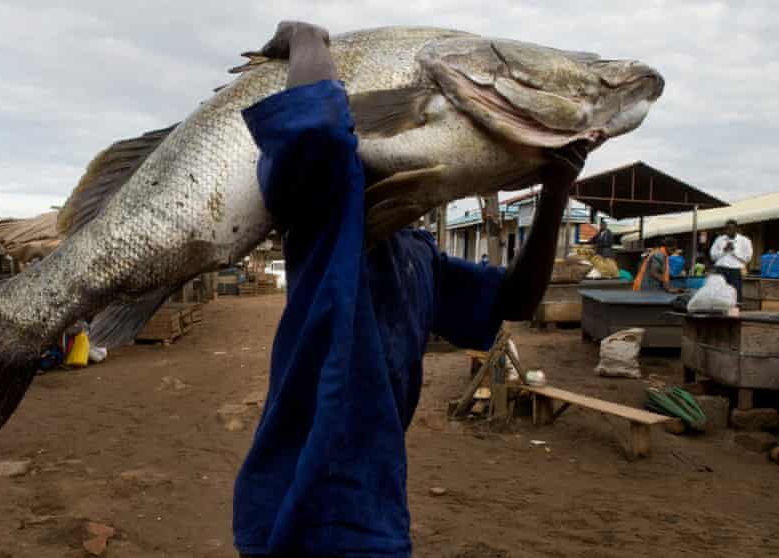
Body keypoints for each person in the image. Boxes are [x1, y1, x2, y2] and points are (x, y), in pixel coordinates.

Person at [233, 21, 589, 558]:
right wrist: (307, 39)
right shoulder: (326, 226)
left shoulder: (417, 254)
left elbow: (513, 302)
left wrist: (556, 192)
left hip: (373, 501)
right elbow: (317, 135)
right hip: (296, 494)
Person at [710, 219, 752, 301]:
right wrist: (723, 250)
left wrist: (734, 251)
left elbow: (748, 258)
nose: (728, 231)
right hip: (720, 269)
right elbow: (713, 256)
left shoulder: (745, 241)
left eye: (731, 228)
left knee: (735, 291)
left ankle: (736, 309)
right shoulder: (719, 240)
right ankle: (720, 310)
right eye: (726, 229)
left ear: (736, 229)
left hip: (736, 270)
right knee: (719, 291)